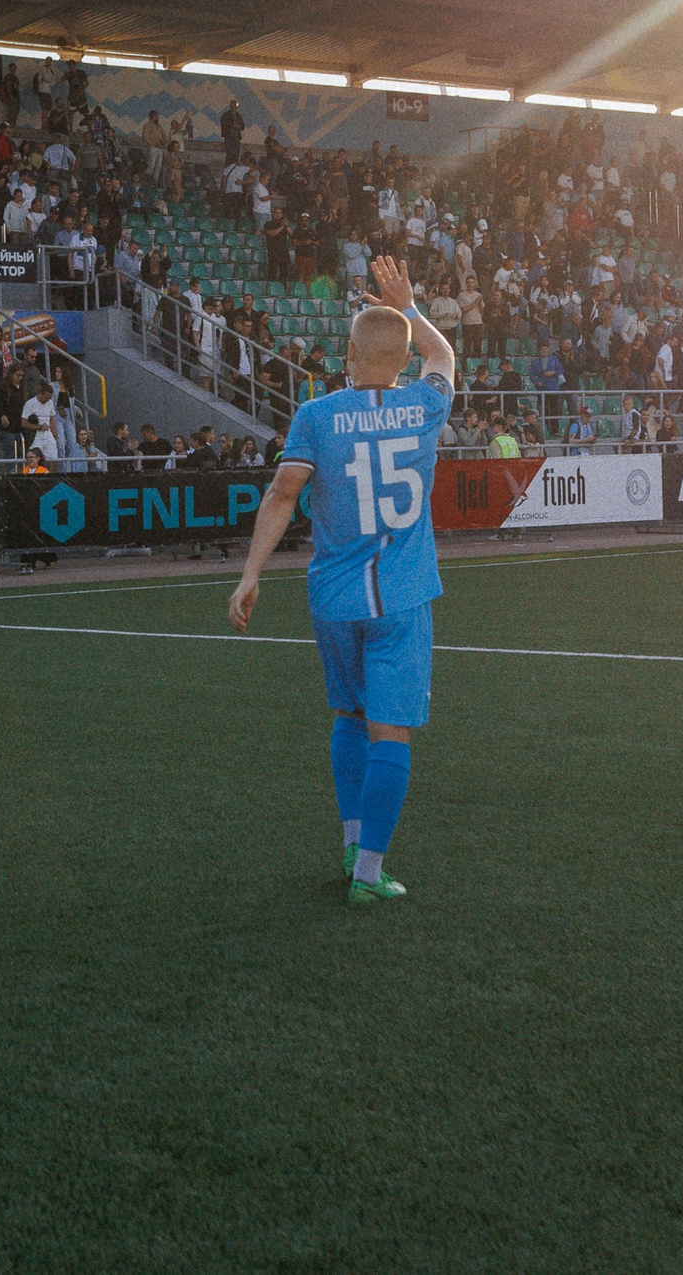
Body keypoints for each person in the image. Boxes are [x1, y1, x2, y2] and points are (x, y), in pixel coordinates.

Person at [230, 254, 454, 907]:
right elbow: (443, 355)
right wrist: (408, 307)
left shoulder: (317, 415)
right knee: (392, 729)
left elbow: (281, 495)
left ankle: (354, 844)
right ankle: (369, 872)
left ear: (351, 354)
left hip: (335, 596)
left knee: (350, 716)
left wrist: (250, 574)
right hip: (402, 595)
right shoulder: (423, 404)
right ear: (402, 360)